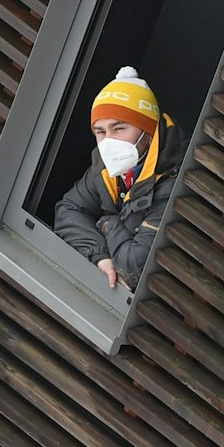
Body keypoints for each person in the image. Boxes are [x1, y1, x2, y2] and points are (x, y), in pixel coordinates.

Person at [55, 67, 185, 291]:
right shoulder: (103, 169)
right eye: (100, 131)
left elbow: (134, 267)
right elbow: (68, 210)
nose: (108, 141)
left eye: (119, 128)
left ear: (149, 130)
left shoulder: (175, 177)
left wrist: (107, 223)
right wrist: (100, 256)